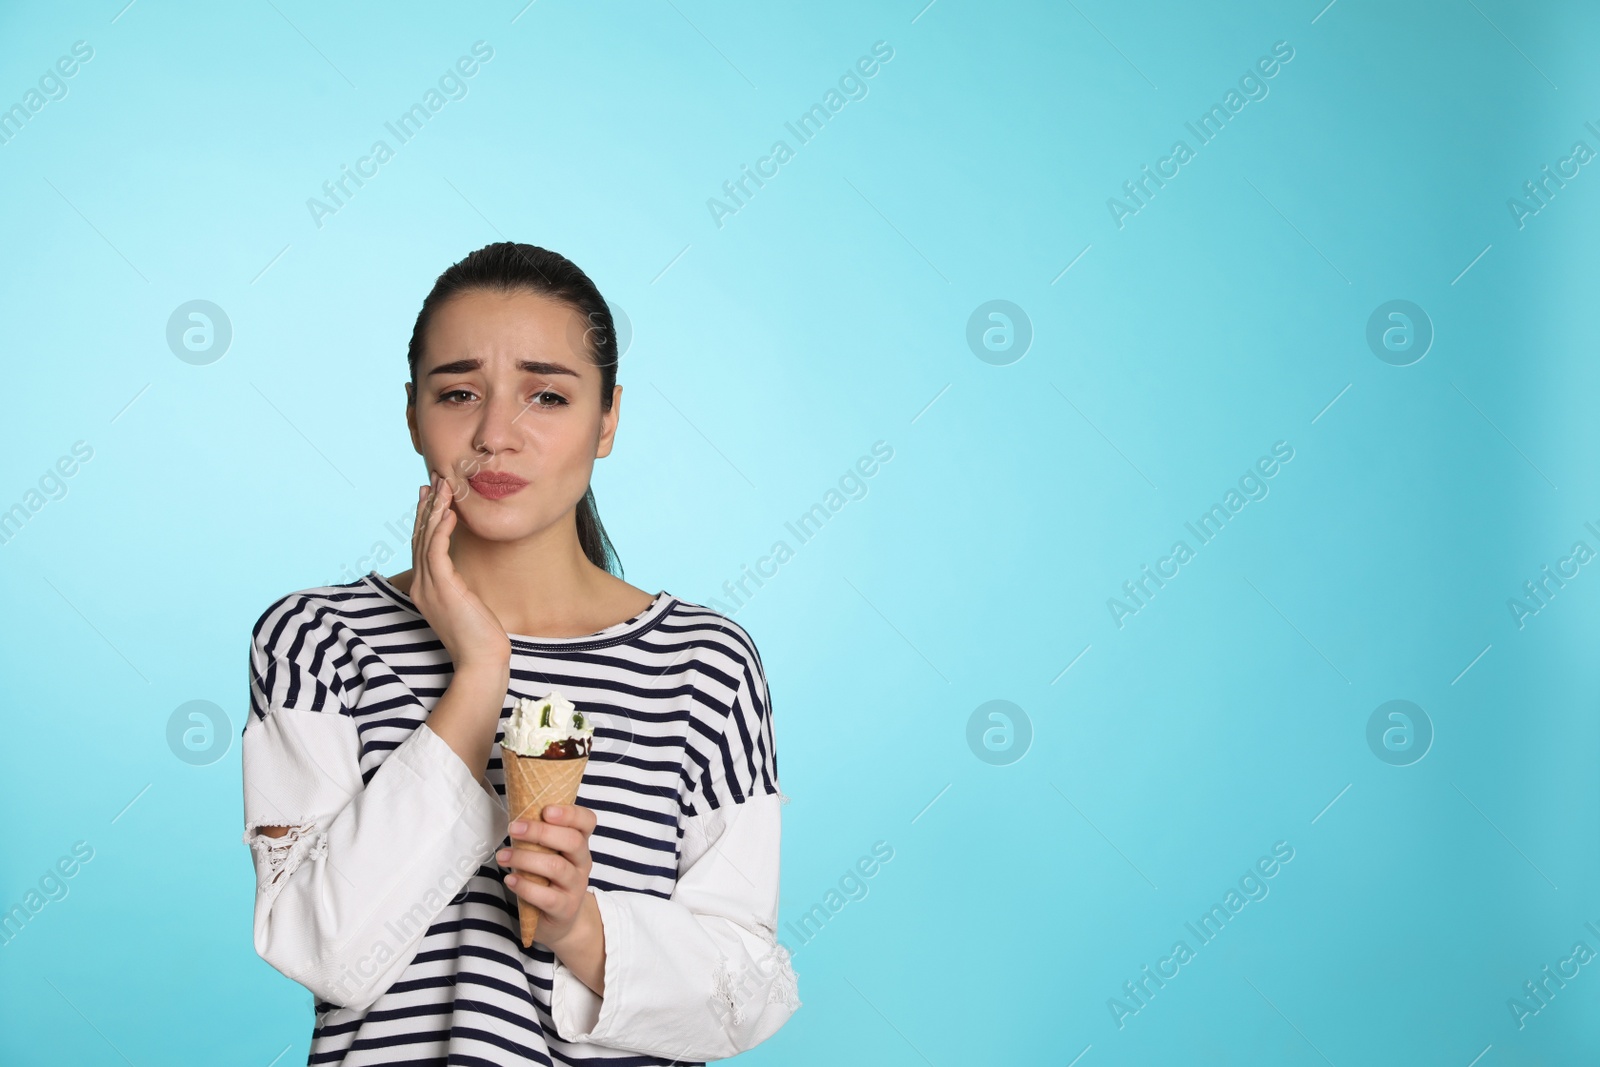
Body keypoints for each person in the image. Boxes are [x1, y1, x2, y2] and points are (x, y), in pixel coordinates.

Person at [240, 242, 799, 1065]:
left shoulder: (705, 665)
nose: (496, 434)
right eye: (459, 392)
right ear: (411, 414)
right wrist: (478, 676)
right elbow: (319, 948)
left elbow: (746, 993)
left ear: (607, 419)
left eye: (547, 395)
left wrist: (584, 927)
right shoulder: (314, 639)